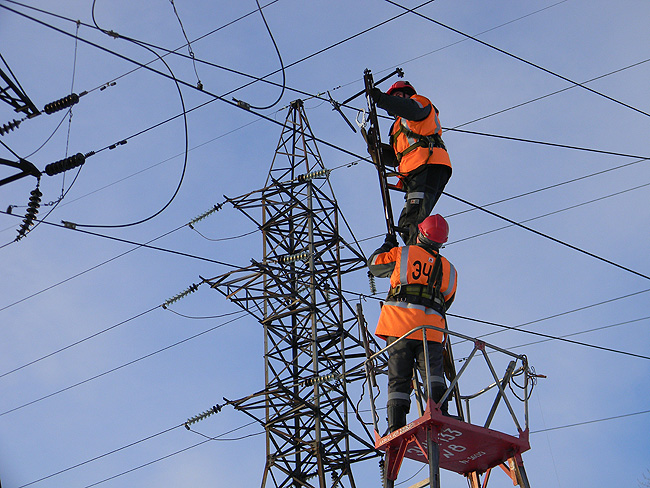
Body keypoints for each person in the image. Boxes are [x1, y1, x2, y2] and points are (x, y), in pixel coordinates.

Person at [367, 214, 457, 433]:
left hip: (399, 326)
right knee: (433, 374)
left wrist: (387, 244)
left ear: (421, 233)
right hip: (431, 332)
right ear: (442, 241)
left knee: (399, 377)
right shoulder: (449, 269)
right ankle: (440, 413)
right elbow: (447, 301)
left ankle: (396, 424)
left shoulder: (402, 253)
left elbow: (374, 265)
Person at [370, 81, 452, 246]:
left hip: (428, 164)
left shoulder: (419, 102)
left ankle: (418, 254)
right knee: (406, 222)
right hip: (417, 171)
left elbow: (412, 110)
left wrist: (381, 99)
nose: (396, 100)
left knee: (413, 219)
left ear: (407, 95)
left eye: (399, 96)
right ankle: (419, 250)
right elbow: (396, 158)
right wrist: (374, 148)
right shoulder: (398, 127)